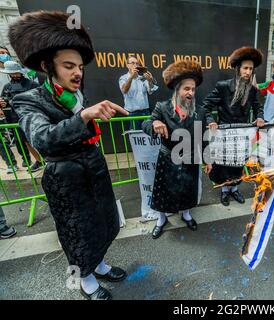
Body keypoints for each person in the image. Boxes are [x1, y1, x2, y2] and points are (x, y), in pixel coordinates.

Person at [9, 11, 129, 300]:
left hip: (94, 169)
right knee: (78, 233)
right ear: (46, 65)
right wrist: (86, 116)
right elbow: (42, 138)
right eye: (68, 65)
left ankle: (99, 265)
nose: (78, 72)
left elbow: (79, 126)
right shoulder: (27, 100)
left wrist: (88, 117)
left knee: (105, 222)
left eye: (79, 66)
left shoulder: (77, 96)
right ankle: (85, 280)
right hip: (65, 179)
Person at [142, 60, 211, 239]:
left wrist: (207, 158)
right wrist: (154, 123)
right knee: (163, 193)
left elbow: (203, 137)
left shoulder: (200, 112)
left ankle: (186, 214)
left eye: (193, 89)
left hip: (190, 158)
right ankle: (161, 219)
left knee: (188, 190)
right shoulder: (162, 108)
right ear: (178, 90)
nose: (190, 93)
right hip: (167, 159)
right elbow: (146, 123)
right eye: (186, 88)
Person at [202, 46, 265, 206]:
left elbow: (258, 106)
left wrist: (259, 117)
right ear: (238, 69)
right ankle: (224, 192)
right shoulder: (223, 86)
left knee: (238, 164)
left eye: (251, 69)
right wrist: (210, 120)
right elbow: (205, 106)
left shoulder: (252, 89)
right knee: (224, 165)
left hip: (243, 134)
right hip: (224, 134)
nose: (248, 72)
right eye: (245, 68)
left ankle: (234, 190)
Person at [0, 61, 44, 172]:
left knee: (38, 139)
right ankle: (39, 161)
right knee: (25, 140)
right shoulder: (7, 87)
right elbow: (4, 100)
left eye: (16, 73)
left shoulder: (31, 84)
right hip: (16, 118)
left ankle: (49, 159)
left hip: (33, 116)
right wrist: (3, 103)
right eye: (12, 73)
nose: (14, 75)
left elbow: (41, 98)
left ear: (20, 72)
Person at [119, 56, 158, 130]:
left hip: (146, 113)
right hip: (133, 114)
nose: (135, 65)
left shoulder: (142, 78)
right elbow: (124, 90)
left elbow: (150, 91)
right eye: (133, 63)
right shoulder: (123, 78)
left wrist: (150, 80)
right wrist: (131, 77)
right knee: (135, 136)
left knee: (148, 135)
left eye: (137, 63)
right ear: (127, 65)